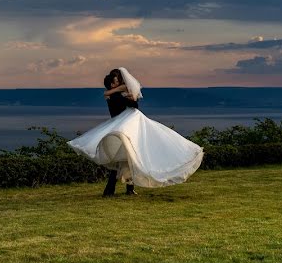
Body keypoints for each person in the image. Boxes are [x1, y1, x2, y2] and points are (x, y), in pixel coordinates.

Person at [68, 67, 203, 196]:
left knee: (127, 158)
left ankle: (121, 189)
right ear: (111, 84)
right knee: (124, 159)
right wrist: (118, 92)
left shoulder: (114, 94)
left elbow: (133, 102)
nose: (118, 83)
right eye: (115, 81)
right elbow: (133, 104)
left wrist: (115, 91)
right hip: (123, 127)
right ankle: (115, 190)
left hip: (125, 126)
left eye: (118, 81)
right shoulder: (115, 97)